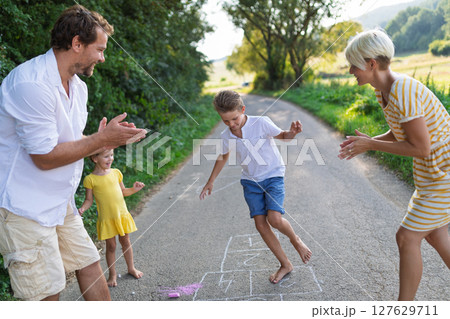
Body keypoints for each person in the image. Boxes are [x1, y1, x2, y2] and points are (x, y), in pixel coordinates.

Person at [0, 5, 146, 301]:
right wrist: (98, 139)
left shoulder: (78, 88)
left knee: (89, 263)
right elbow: (45, 157)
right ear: (77, 43)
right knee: (47, 293)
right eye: (100, 49)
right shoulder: (31, 84)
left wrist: (108, 141)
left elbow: (73, 141)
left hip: (60, 201)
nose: (103, 57)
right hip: (24, 208)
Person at [339, 29, 450, 300]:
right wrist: (370, 141)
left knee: (406, 237)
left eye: (353, 65)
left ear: (371, 64)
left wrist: (372, 145)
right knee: (435, 235)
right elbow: (404, 133)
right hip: (431, 174)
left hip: (444, 173)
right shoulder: (383, 91)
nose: (350, 70)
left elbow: (421, 147)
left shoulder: (403, 89)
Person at [199, 90, 312, 284]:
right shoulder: (226, 135)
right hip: (250, 181)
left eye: (234, 118)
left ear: (243, 109)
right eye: (226, 121)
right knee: (260, 224)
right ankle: (285, 264)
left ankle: (296, 240)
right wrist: (211, 181)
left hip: (273, 175)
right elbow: (223, 156)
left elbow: (283, 136)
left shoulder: (261, 122)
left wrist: (292, 133)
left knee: (275, 219)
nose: (231, 124)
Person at [78, 149, 144, 287]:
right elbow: (89, 200)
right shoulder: (90, 179)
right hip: (107, 218)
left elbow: (123, 191)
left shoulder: (116, 173)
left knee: (126, 241)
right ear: (95, 158)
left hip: (121, 215)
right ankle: (112, 274)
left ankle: (131, 268)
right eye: (106, 156)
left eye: (112, 155)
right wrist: (83, 208)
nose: (111, 159)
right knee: (111, 246)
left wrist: (134, 189)